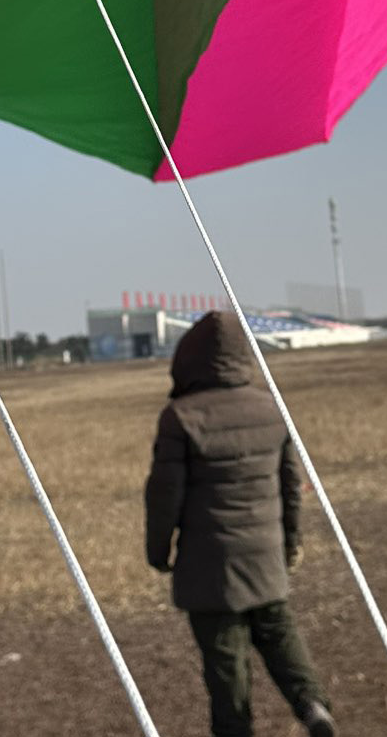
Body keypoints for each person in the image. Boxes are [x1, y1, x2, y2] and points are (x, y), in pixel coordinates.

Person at [145, 310, 335, 736]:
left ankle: (235, 730)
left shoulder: (180, 416)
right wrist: (290, 544)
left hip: (209, 566)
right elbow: (290, 486)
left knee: (225, 659)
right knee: (279, 631)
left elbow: (163, 496)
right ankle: (312, 705)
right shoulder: (270, 408)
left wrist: (158, 551)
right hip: (265, 554)